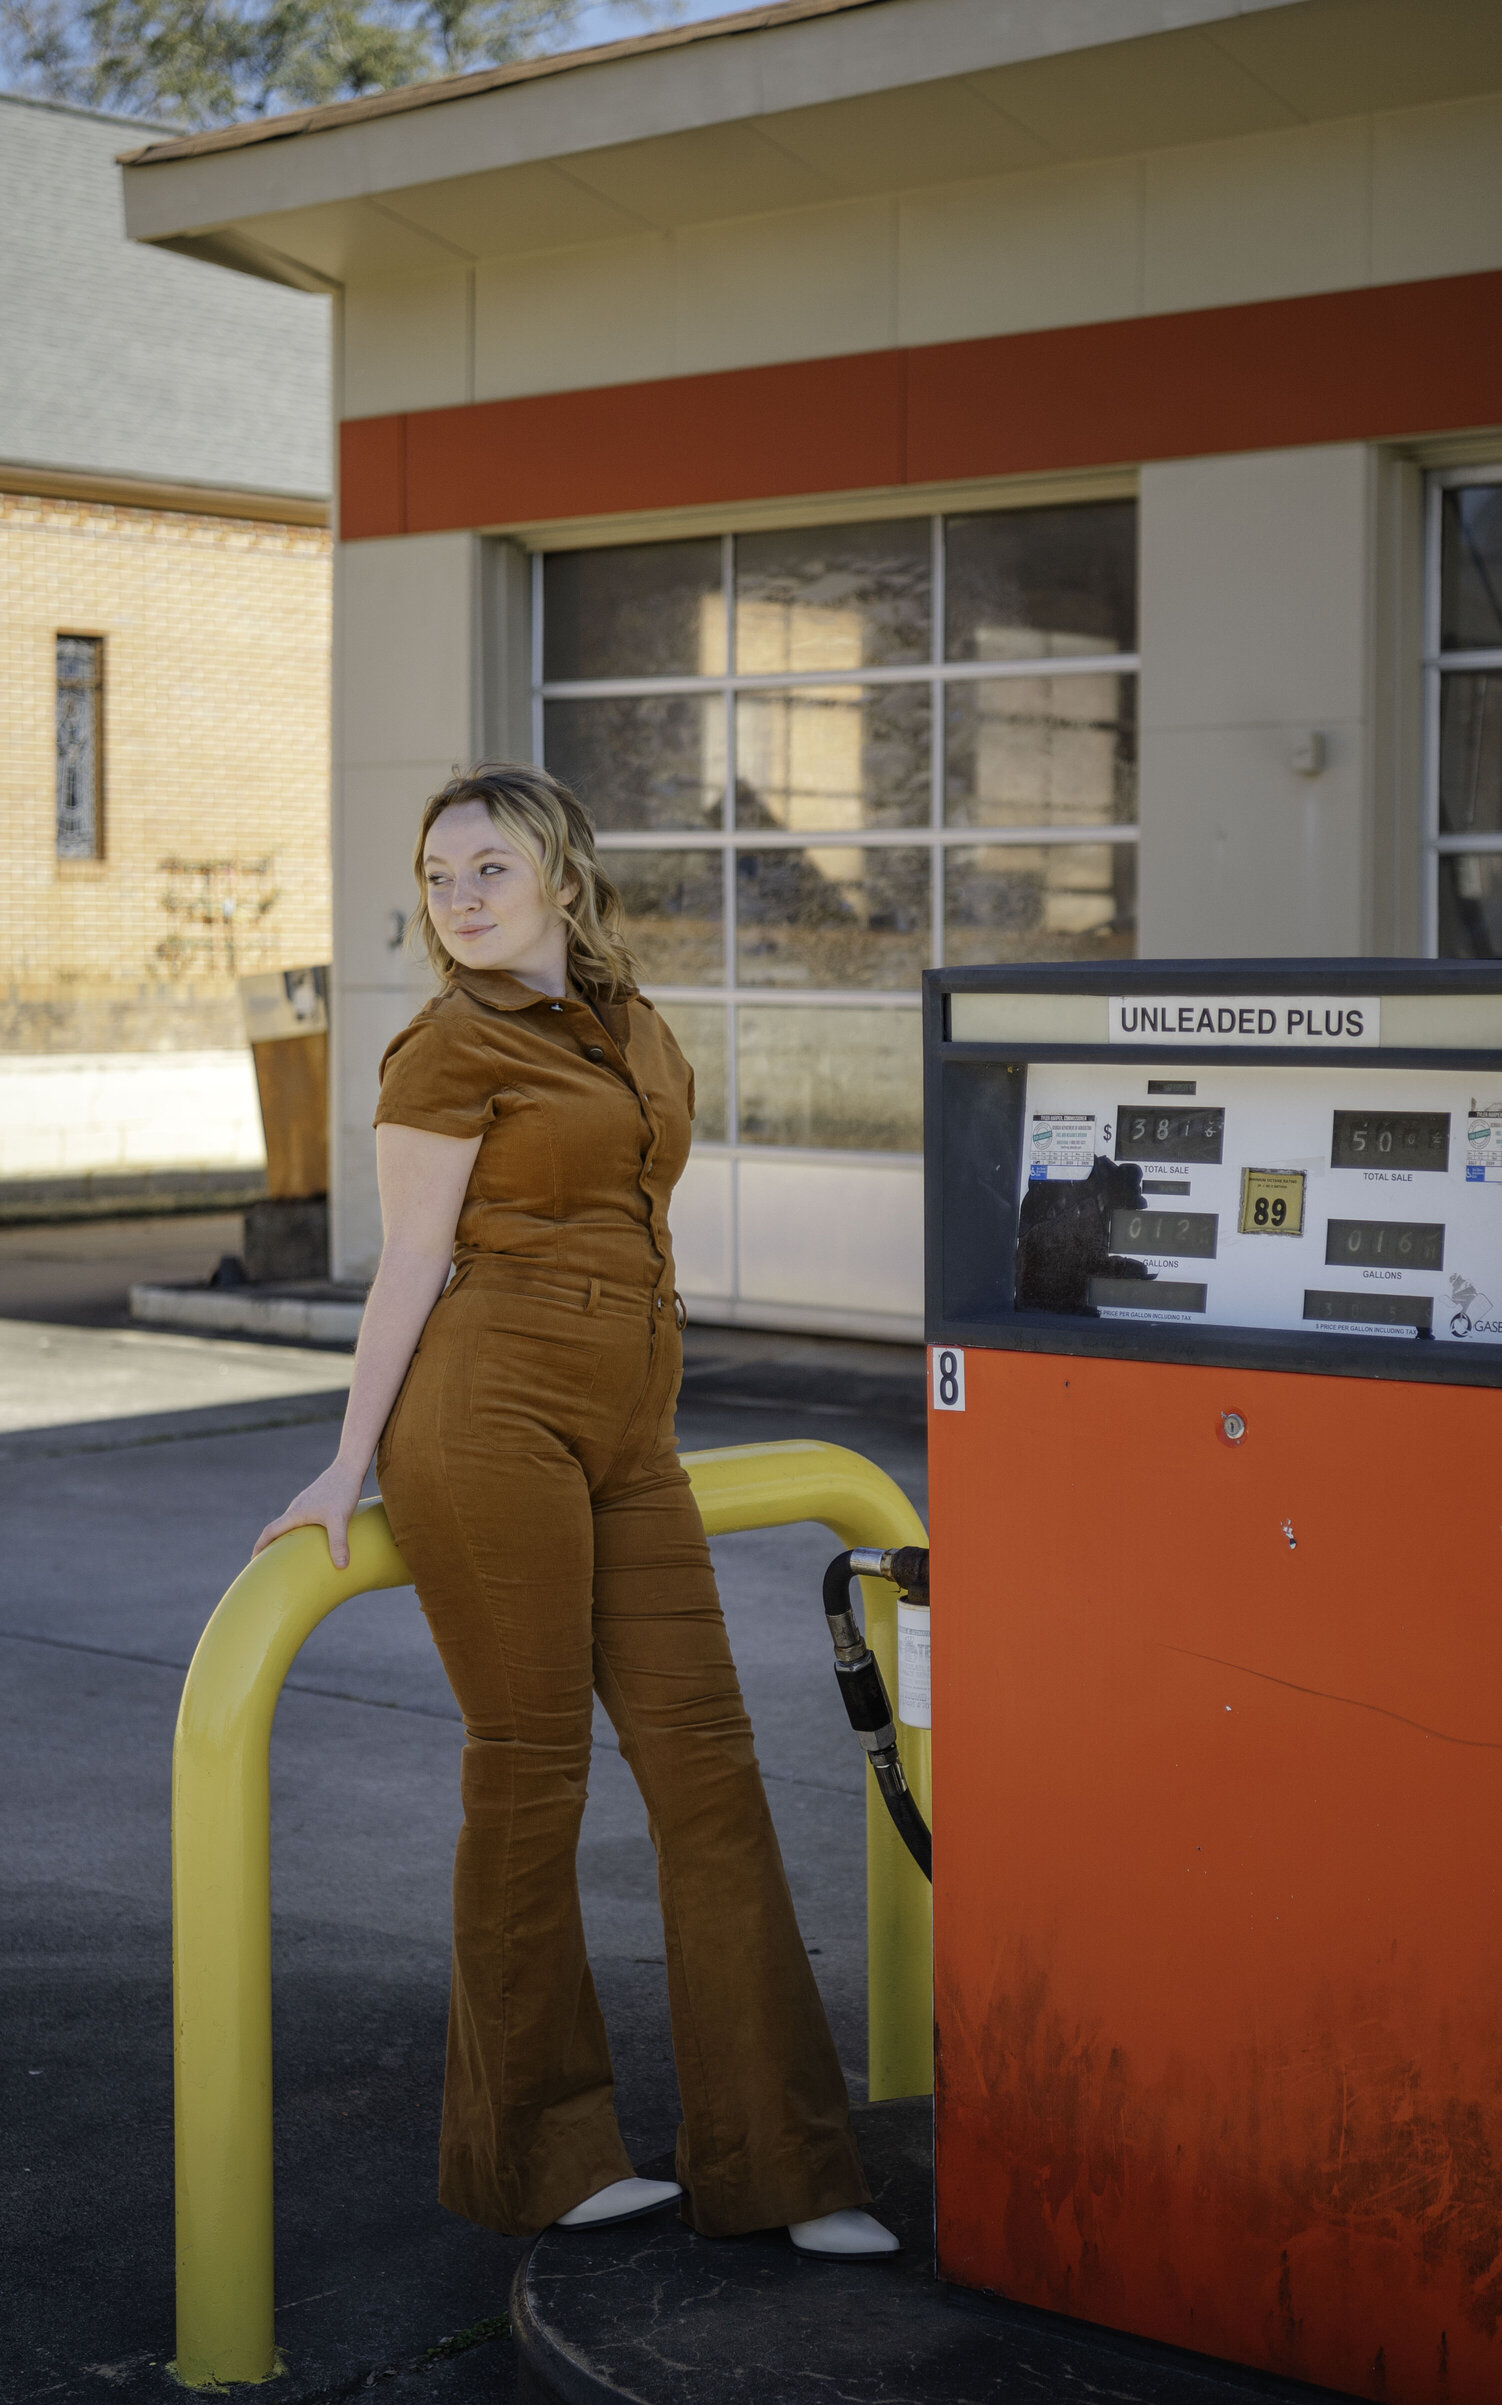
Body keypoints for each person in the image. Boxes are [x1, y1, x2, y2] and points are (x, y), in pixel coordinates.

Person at [253, 763, 897, 2259]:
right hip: (487, 1418)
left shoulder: (639, 1027)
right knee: (532, 1772)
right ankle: (540, 2152)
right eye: (438, 875)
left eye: (489, 866)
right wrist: (347, 1461)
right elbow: (411, 1259)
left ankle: (786, 2164)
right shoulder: (442, 1046)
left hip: (631, 1431)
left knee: (711, 1770)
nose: (460, 896)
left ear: (559, 872)